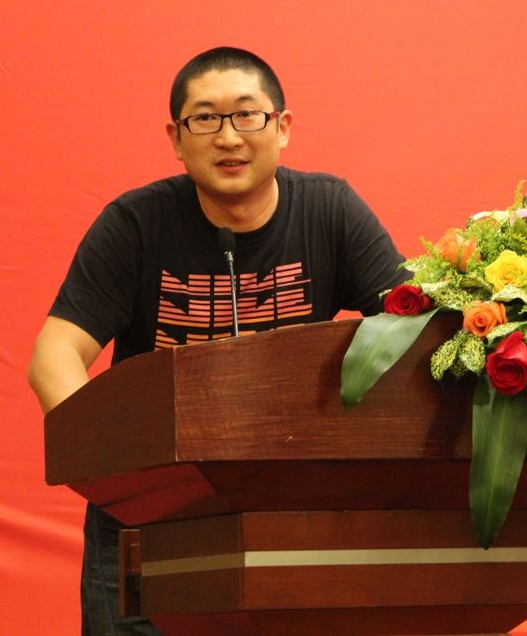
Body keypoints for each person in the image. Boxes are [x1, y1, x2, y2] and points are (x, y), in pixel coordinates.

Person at [27, 47, 406, 635]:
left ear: (282, 127)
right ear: (176, 139)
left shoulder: (330, 211)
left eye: (247, 115)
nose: (228, 137)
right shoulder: (135, 224)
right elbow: (54, 354)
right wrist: (114, 469)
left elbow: (413, 328)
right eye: (204, 118)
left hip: (286, 510)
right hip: (149, 514)